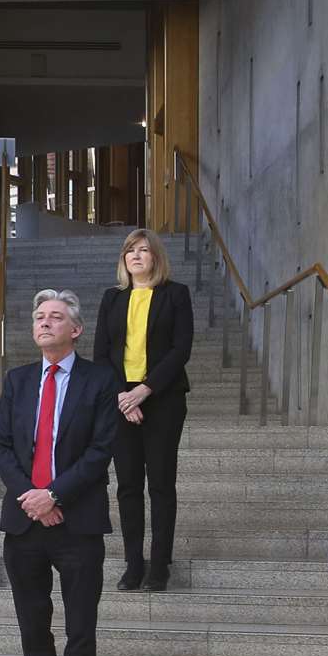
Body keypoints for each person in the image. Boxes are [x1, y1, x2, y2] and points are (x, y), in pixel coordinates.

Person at [0, 291, 119, 656]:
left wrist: (56, 495)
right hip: (26, 527)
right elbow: (1, 443)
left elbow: (101, 449)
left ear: (76, 329)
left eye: (55, 317)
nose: (44, 323)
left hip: (78, 525)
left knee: (80, 629)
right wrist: (32, 498)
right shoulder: (19, 380)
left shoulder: (99, 381)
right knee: (33, 628)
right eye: (39, 316)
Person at [93, 228, 193, 592]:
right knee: (128, 486)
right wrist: (123, 396)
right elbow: (101, 353)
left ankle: (159, 564)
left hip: (163, 399)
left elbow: (181, 348)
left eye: (144, 250)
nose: (136, 256)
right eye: (130, 251)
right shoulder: (112, 298)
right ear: (124, 259)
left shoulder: (175, 295)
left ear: (156, 258)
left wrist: (145, 390)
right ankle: (133, 563)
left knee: (162, 484)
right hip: (120, 402)